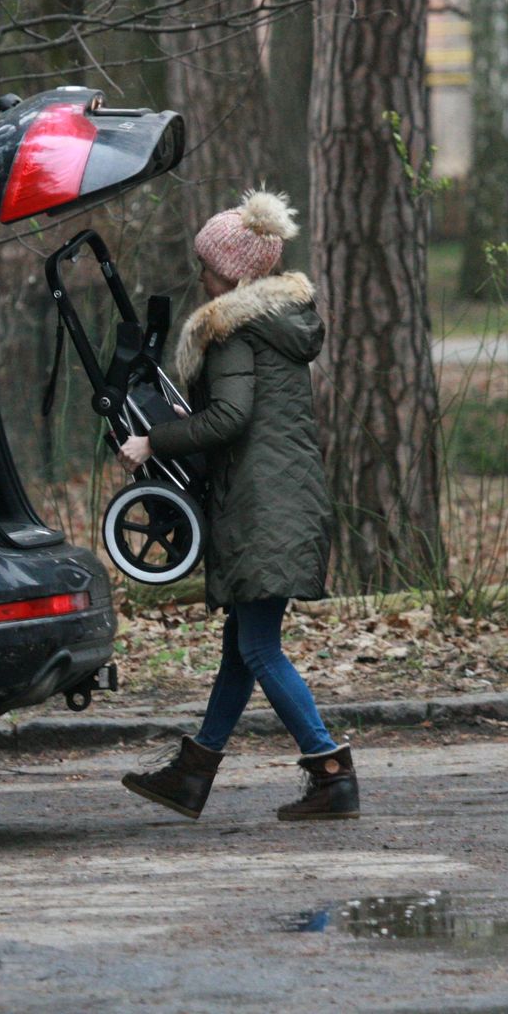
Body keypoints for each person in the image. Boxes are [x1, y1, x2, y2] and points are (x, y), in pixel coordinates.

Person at [117, 189, 357, 821]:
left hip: (263, 506)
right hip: (283, 497)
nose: (200, 274)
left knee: (258, 649)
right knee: (243, 644)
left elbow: (229, 418)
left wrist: (152, 441)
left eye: (207, 263)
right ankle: (191, 776)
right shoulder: (278, 327)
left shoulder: (232, 331)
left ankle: (331, 769)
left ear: (233, 271)